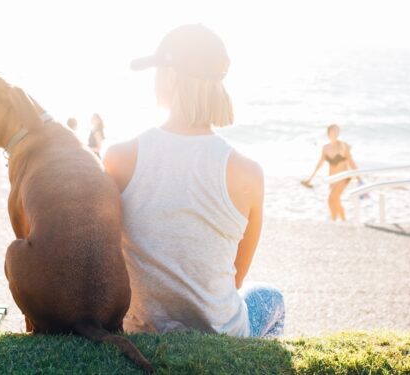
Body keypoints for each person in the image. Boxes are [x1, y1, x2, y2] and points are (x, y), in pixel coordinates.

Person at [103, 24, 284, 338]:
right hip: (221, 333)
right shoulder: (248, 173)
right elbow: (236, 280)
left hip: (140, 328)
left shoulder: (119, 157)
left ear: (171, 76)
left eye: (158, 70)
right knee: (272, 297)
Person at [302, 124, 359, 221]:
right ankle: (340, 221)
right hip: (332, 178)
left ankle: (338, 221)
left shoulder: (343, 145)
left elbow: (351, 161)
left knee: (331, 198)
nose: (336, 133)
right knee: (334, 201)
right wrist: (310, 178)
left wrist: (359, 178)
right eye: (334, 131)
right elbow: (320, 164)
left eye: (338, 131)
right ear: (329, 133)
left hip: (343, 177)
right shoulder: (325, 147)